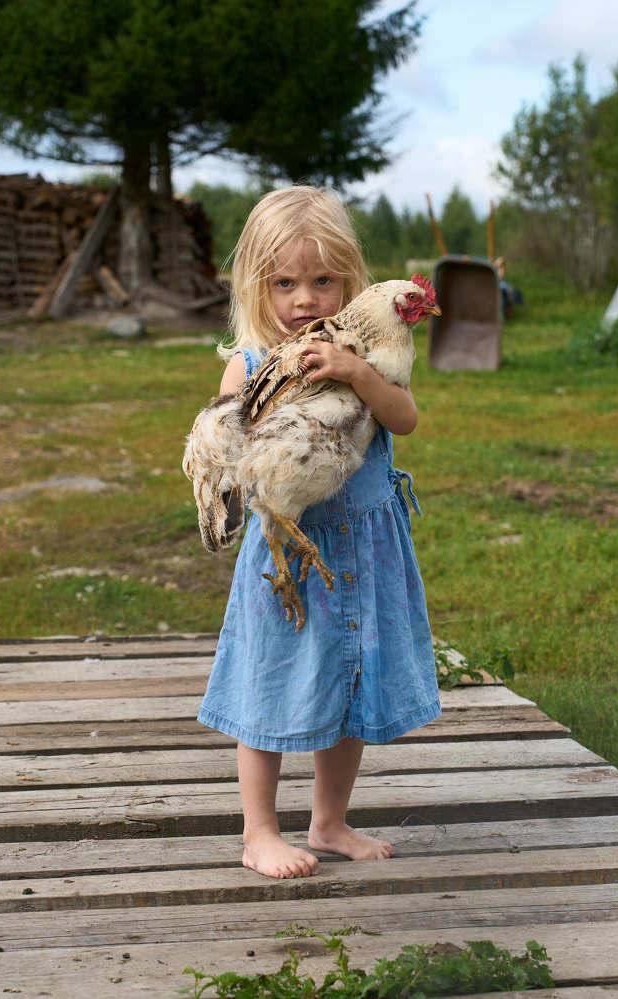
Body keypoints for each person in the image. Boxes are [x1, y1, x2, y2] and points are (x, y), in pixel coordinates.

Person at [196, 186, 441, 879]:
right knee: (269, 681)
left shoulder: (368, 356)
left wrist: (355, 372)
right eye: (285, 283)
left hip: (364, 548)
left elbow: (405, 419)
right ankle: (259, 831)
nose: (305, 299)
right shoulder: (250, 363)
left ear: (351, 281)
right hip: (289, 555)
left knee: (352, 686)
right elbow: (225, 441)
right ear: (257, 286)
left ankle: (329, 822)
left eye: (323, 281)